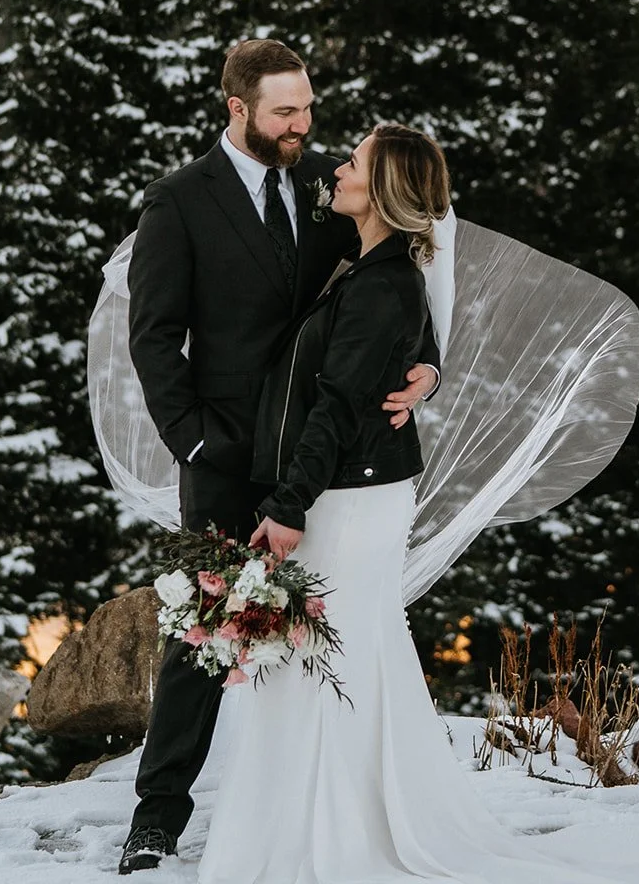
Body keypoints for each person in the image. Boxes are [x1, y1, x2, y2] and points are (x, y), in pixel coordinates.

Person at [197, 123, 555, 884]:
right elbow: (411, 331)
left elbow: (338, 404)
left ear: (384, 191)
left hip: (346, 498)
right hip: (351, 488)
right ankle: (329, 816)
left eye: (353, 162)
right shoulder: (372, 266)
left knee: (330, 653)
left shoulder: (382, 281)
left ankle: (336, 835)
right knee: (340, 652)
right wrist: (426, 363)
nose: (338, 166)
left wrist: (288, 506)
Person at [118, 43, 441, 875]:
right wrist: (189, 438)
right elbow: (153, 337)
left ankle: (309, 803)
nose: (303, 127)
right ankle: (156, 817)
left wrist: (428, 363)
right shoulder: (178, 204)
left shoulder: (318, 186)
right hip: (222, 449)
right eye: (284, 113)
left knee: (316, 628)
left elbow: (389, 266)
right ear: (237, 109)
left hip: (314, 456)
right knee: (203, 630)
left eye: (306, 109)